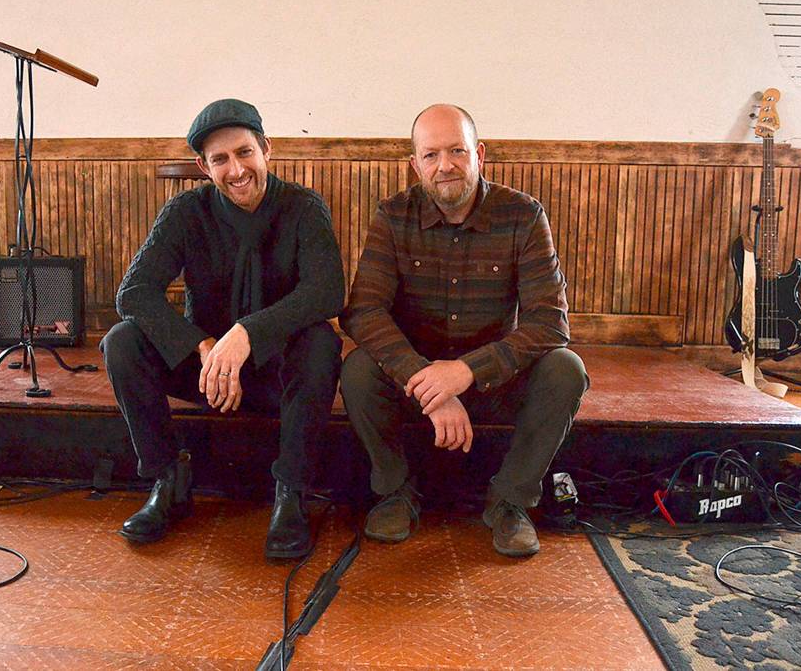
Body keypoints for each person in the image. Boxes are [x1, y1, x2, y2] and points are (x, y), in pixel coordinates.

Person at [339, 104, 588, 557]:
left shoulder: (524, 216)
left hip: (495, 379)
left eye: (457, 151)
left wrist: (465, 372)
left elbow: (550, 322)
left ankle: (510, 502)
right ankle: (396, 493)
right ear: (415, 165)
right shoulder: (393, 217)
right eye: (431, 155)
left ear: (480, 154)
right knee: (357, 369)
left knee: (566, 368)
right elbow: (363, 312)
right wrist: (429, 382)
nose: (445, 165)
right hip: (413, 381)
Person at [101, 99, 345, 559]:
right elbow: (134, 292)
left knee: (320, 342)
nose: (236, 170)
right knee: (122, 340)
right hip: (209, 374)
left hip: (279, 376)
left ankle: (291, 494)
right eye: (220, 159)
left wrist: (248, 333)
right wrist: (204, 346)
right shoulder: (185, 212)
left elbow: (328, 291)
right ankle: (167, 479)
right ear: (203, 166)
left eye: (244, 152)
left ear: (266, 149)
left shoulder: (303, 207)